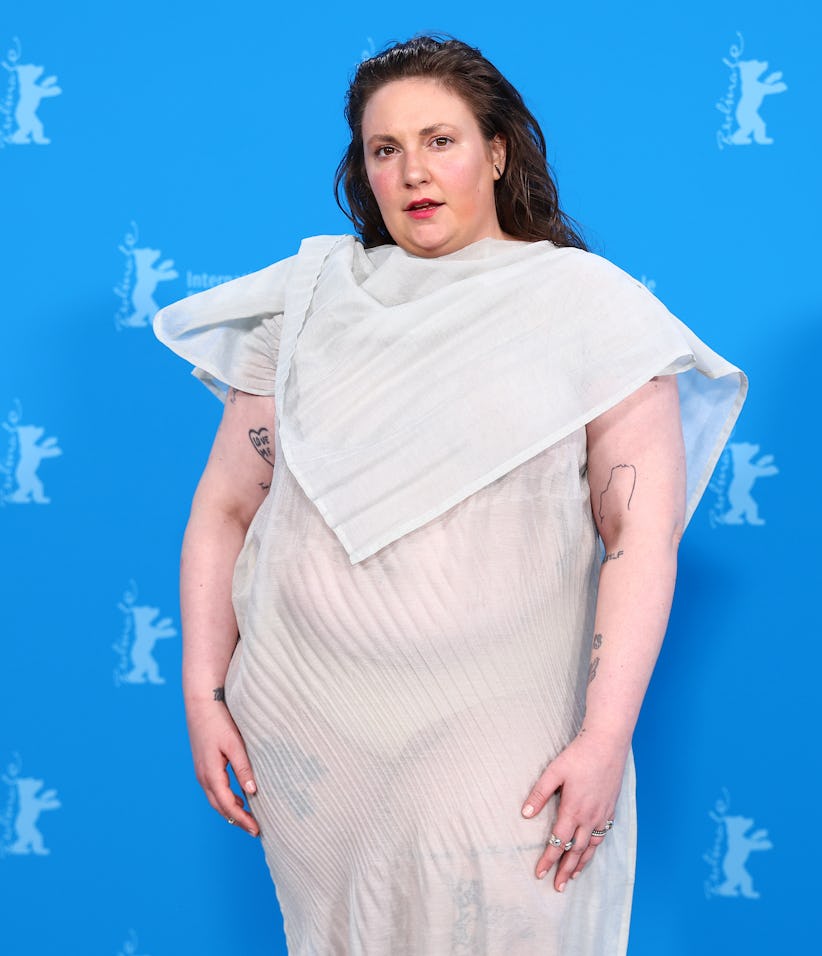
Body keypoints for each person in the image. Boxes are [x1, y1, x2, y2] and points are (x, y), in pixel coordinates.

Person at [154, 35, 746, 955]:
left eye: (440, 141)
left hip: (503, 718)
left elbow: (639, 535)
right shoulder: (311, 300)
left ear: (497, 151)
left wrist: (604, 738)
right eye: (385, 149)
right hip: (313, 724)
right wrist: (203, 696)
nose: (413, 172)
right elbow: (227, 508)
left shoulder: (592, 309)